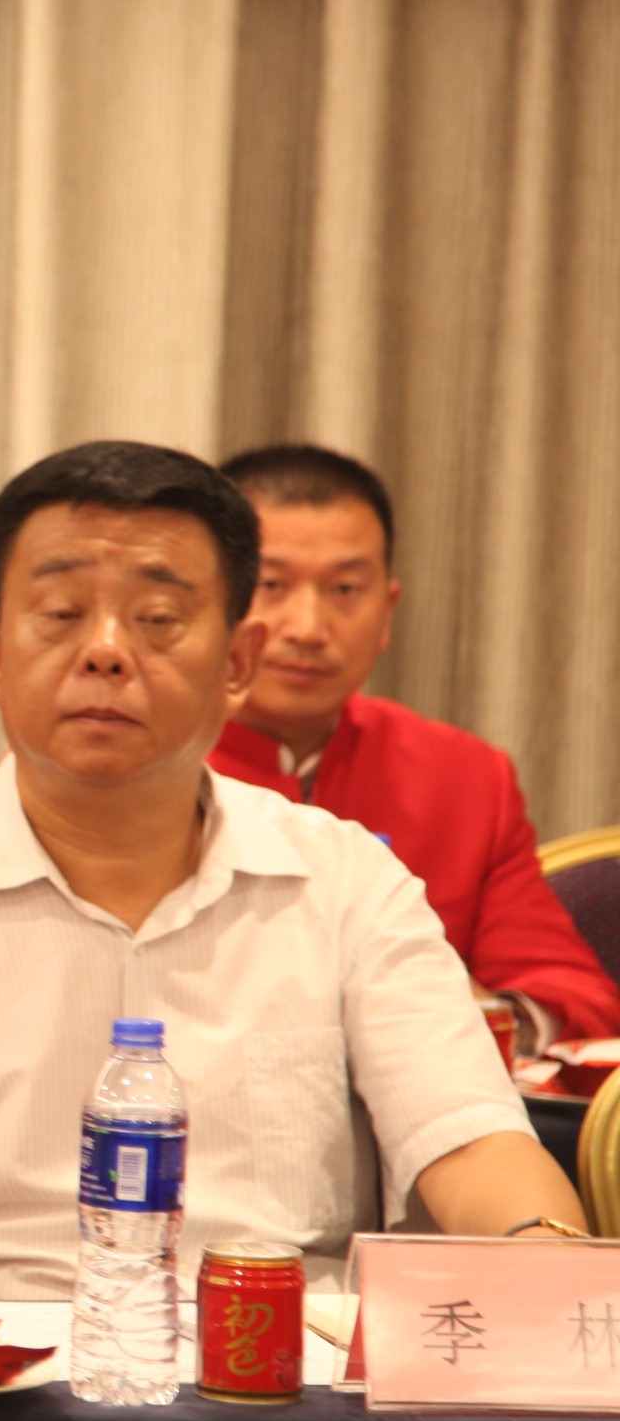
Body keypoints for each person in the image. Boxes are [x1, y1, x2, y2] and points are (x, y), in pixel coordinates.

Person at [0, 442, 585, 1299]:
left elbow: (473, 1142)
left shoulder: (349, 886)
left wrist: (548, 1262)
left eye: (159, 620)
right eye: (61, 614)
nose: (106, 650)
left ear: (236, 662)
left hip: (281, 1376)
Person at [207, 445, 619, 1041]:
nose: (308, 628)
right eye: (271, 584)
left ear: (386, 610)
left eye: (345, 589)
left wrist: (455, 1014)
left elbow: (573, 997)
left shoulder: (464, 777)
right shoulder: (138, 770)